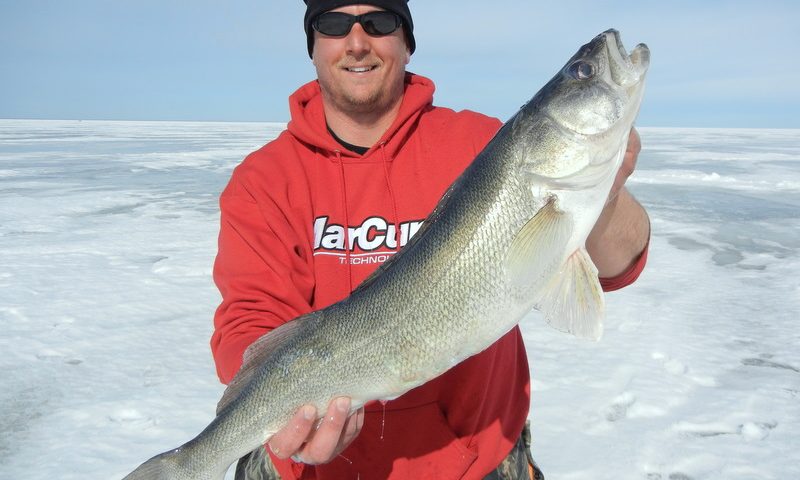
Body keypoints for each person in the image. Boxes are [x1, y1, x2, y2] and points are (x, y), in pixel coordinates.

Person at [211, 1, 651, 479]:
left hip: (479, 462)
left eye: (379, 23)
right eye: (333, 25)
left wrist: (605, 193)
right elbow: (249, 321)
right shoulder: (264, 180)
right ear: (313, 46)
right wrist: (285, 413)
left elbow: (616, 267)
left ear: (406, 41)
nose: (357, 43)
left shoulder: (484, 146)